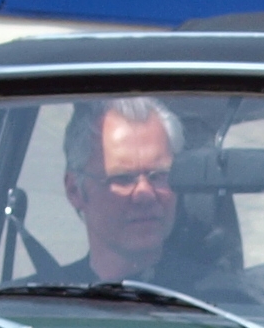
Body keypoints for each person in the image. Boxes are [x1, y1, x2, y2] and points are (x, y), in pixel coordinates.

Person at [48, 96, 196, 285]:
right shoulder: (29, 302)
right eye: (123, 179)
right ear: (75, 190)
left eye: (159, 175)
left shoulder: (225, 305)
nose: (146, 194)